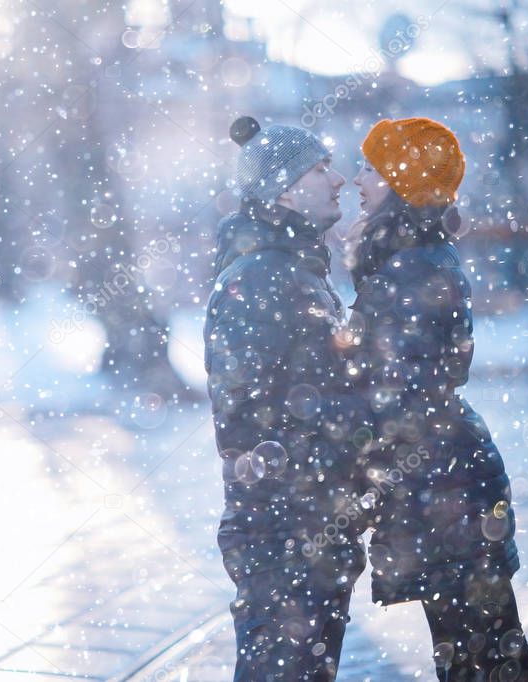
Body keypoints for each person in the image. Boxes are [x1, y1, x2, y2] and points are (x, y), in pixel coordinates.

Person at [347, 116, 528, 681]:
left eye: (369, 170)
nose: (356, 181)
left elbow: (404, 392)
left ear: (400, 181)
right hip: (446, 483)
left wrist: (362, 454)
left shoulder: (411, 266)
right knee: (489, 663)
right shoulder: (412, 257)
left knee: (485, 668)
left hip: (444, 490)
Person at [204, 116, 373, 681]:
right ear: (283, 189)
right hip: (284, 533)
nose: (340, 180)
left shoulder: (296, 270)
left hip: (308, 526)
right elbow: (249, 420)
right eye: (320, 170)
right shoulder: (261, 279)